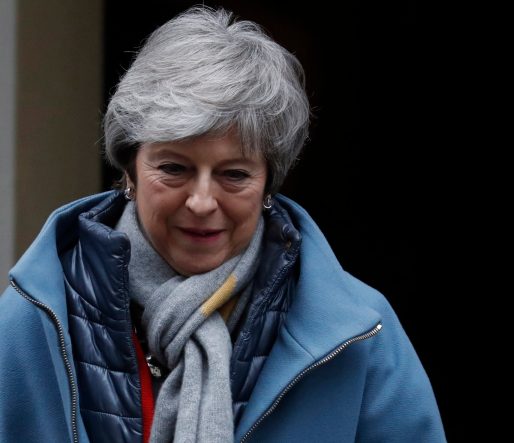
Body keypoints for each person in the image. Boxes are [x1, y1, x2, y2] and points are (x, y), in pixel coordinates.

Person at [0, 7, 445, 443]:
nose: (201, 201)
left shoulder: (359, 334)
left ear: (269, 183)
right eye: (174, 168)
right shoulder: (36, 317)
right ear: (129, 172)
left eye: (234, 174)